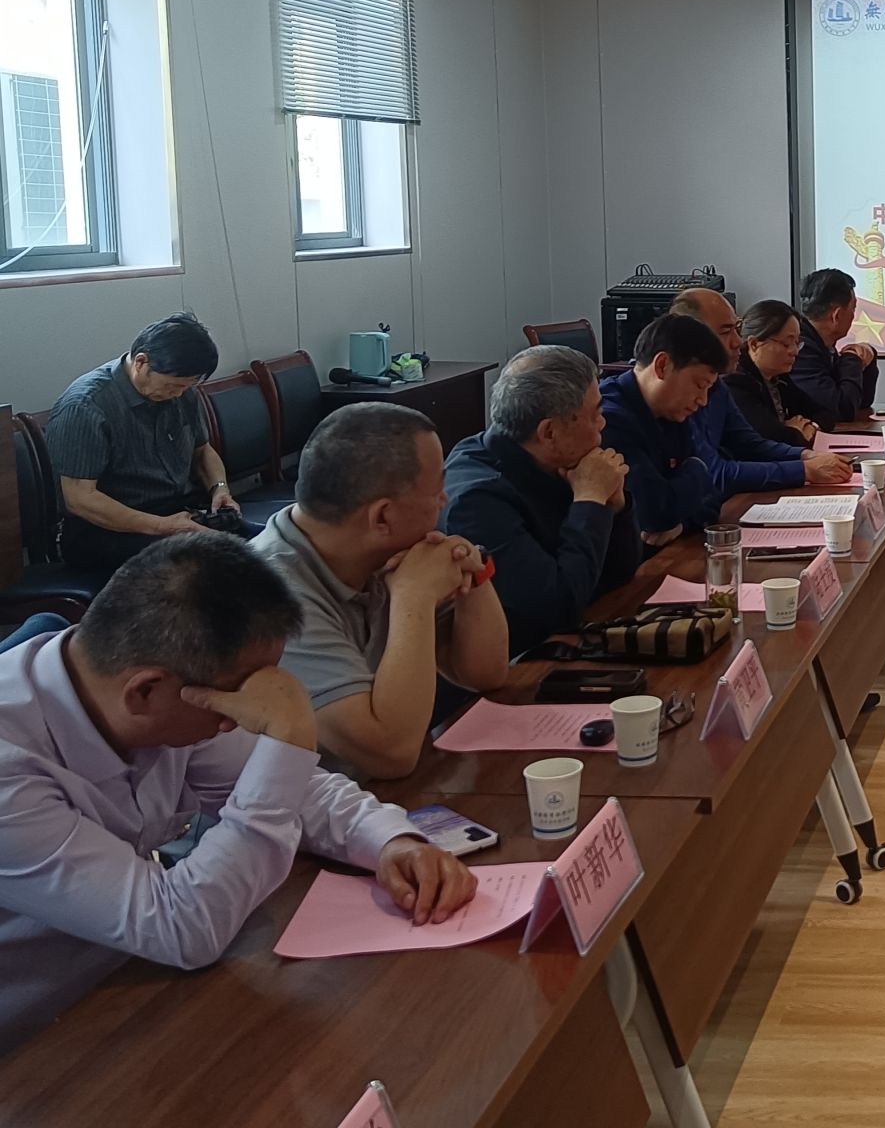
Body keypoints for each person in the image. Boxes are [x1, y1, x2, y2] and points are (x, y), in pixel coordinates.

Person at [0, 534, 476, 1055]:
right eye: (240, 694)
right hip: (37, 1043)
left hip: (135, 981)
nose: (244, 714)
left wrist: (390, 841)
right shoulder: (10, 767)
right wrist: (288, 740)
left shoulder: (150, 687)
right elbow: (181, 928)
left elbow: (294, 790)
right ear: (146, 691)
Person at [255, 404, 508, 780]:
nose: (445, 501)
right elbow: (391, 755)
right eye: (437, 491)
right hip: (287, 810)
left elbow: (486, 674)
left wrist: (473, 570)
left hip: (365, 802)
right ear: (382, 517)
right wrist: (414, 596)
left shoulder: (381, 551)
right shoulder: (271, 597)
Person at [442, 346, 638, 658]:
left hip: (576, 636)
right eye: (595, 414)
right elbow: (556, 608)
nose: (603, 424)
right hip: (519, 665)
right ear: (549, 432)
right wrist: (590, 500)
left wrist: (614, 506)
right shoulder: (476, 501)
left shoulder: (557, 461)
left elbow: (620, 573)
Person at [45, 314, 250, 577]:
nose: (178, 394)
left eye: (186, 387)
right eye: (172, 386)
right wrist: (162, 526)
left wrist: (219, 488)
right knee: (208, 566)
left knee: (263, 544)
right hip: (105, 531)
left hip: (175, 511)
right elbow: (79, 500)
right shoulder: (86, 406)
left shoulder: (183, 393)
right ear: (141, 362)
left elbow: (202, 452)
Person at [668, 287, 854, 495]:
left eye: (737, 328)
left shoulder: (718, 386)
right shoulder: (689, 394)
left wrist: (805, 456)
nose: (738, 341)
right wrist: (804, 470)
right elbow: (714, 474)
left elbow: (750, 444)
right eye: (725, 332)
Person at [599, 314, 728, 547]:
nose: (703, 400)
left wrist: (681, 525)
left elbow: (712, 500)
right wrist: (698, 469)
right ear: (662, 366)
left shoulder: (672, 412)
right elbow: (654, 513)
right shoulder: (608, 419)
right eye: (699, 385)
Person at [787, 267, 879, 430]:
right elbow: (844, 409)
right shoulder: (802, 350)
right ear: (837, 316)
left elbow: (862, 402)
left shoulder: (822, 343)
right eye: (853, 309)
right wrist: (852, 358)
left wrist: (867, 354)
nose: (854, 316)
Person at [728, 299, 819, 449]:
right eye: (786, 344)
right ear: (754, 344)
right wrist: (794, 432)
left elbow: (822, 413)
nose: (794, 351)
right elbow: (771, 440)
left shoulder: (779, 376)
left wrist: (811, 427)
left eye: (797, 343)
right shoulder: (736, 382)